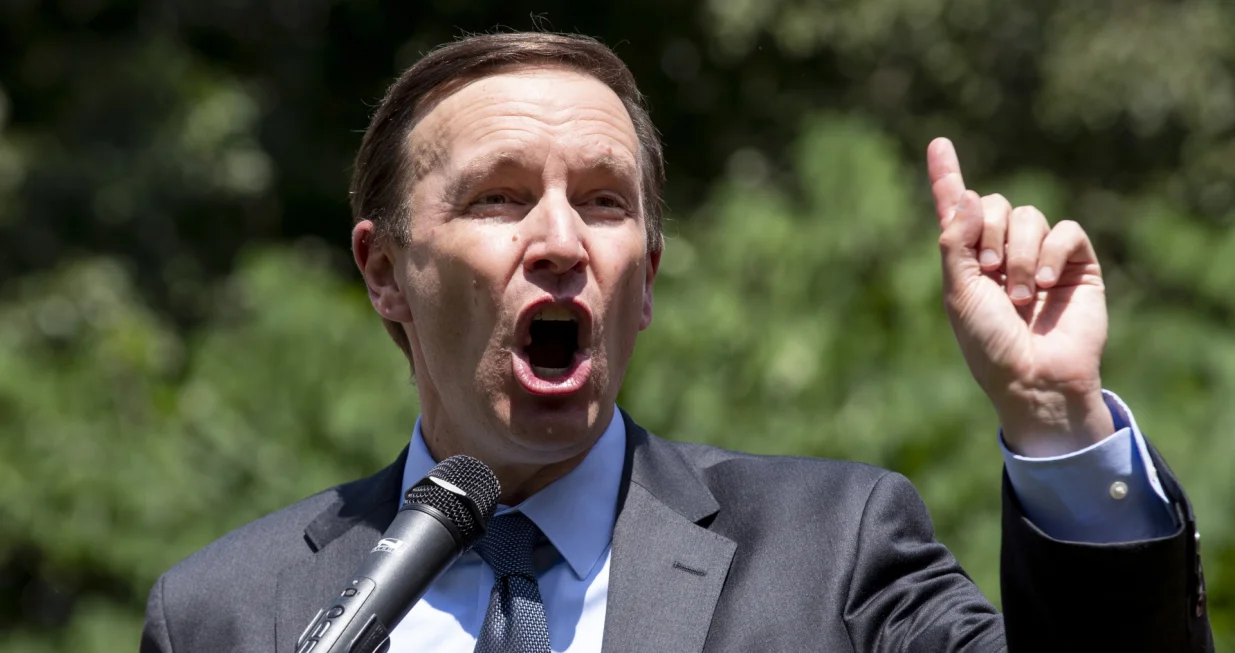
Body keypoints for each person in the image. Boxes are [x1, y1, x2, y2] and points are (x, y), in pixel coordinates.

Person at [139, 32, 1211, 652]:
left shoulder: (832, 549)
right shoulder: (227, 608)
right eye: (499, 198)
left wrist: (1055, 419)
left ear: (642, 280)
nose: (560, 240)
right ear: (384, 271)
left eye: (604, 203)